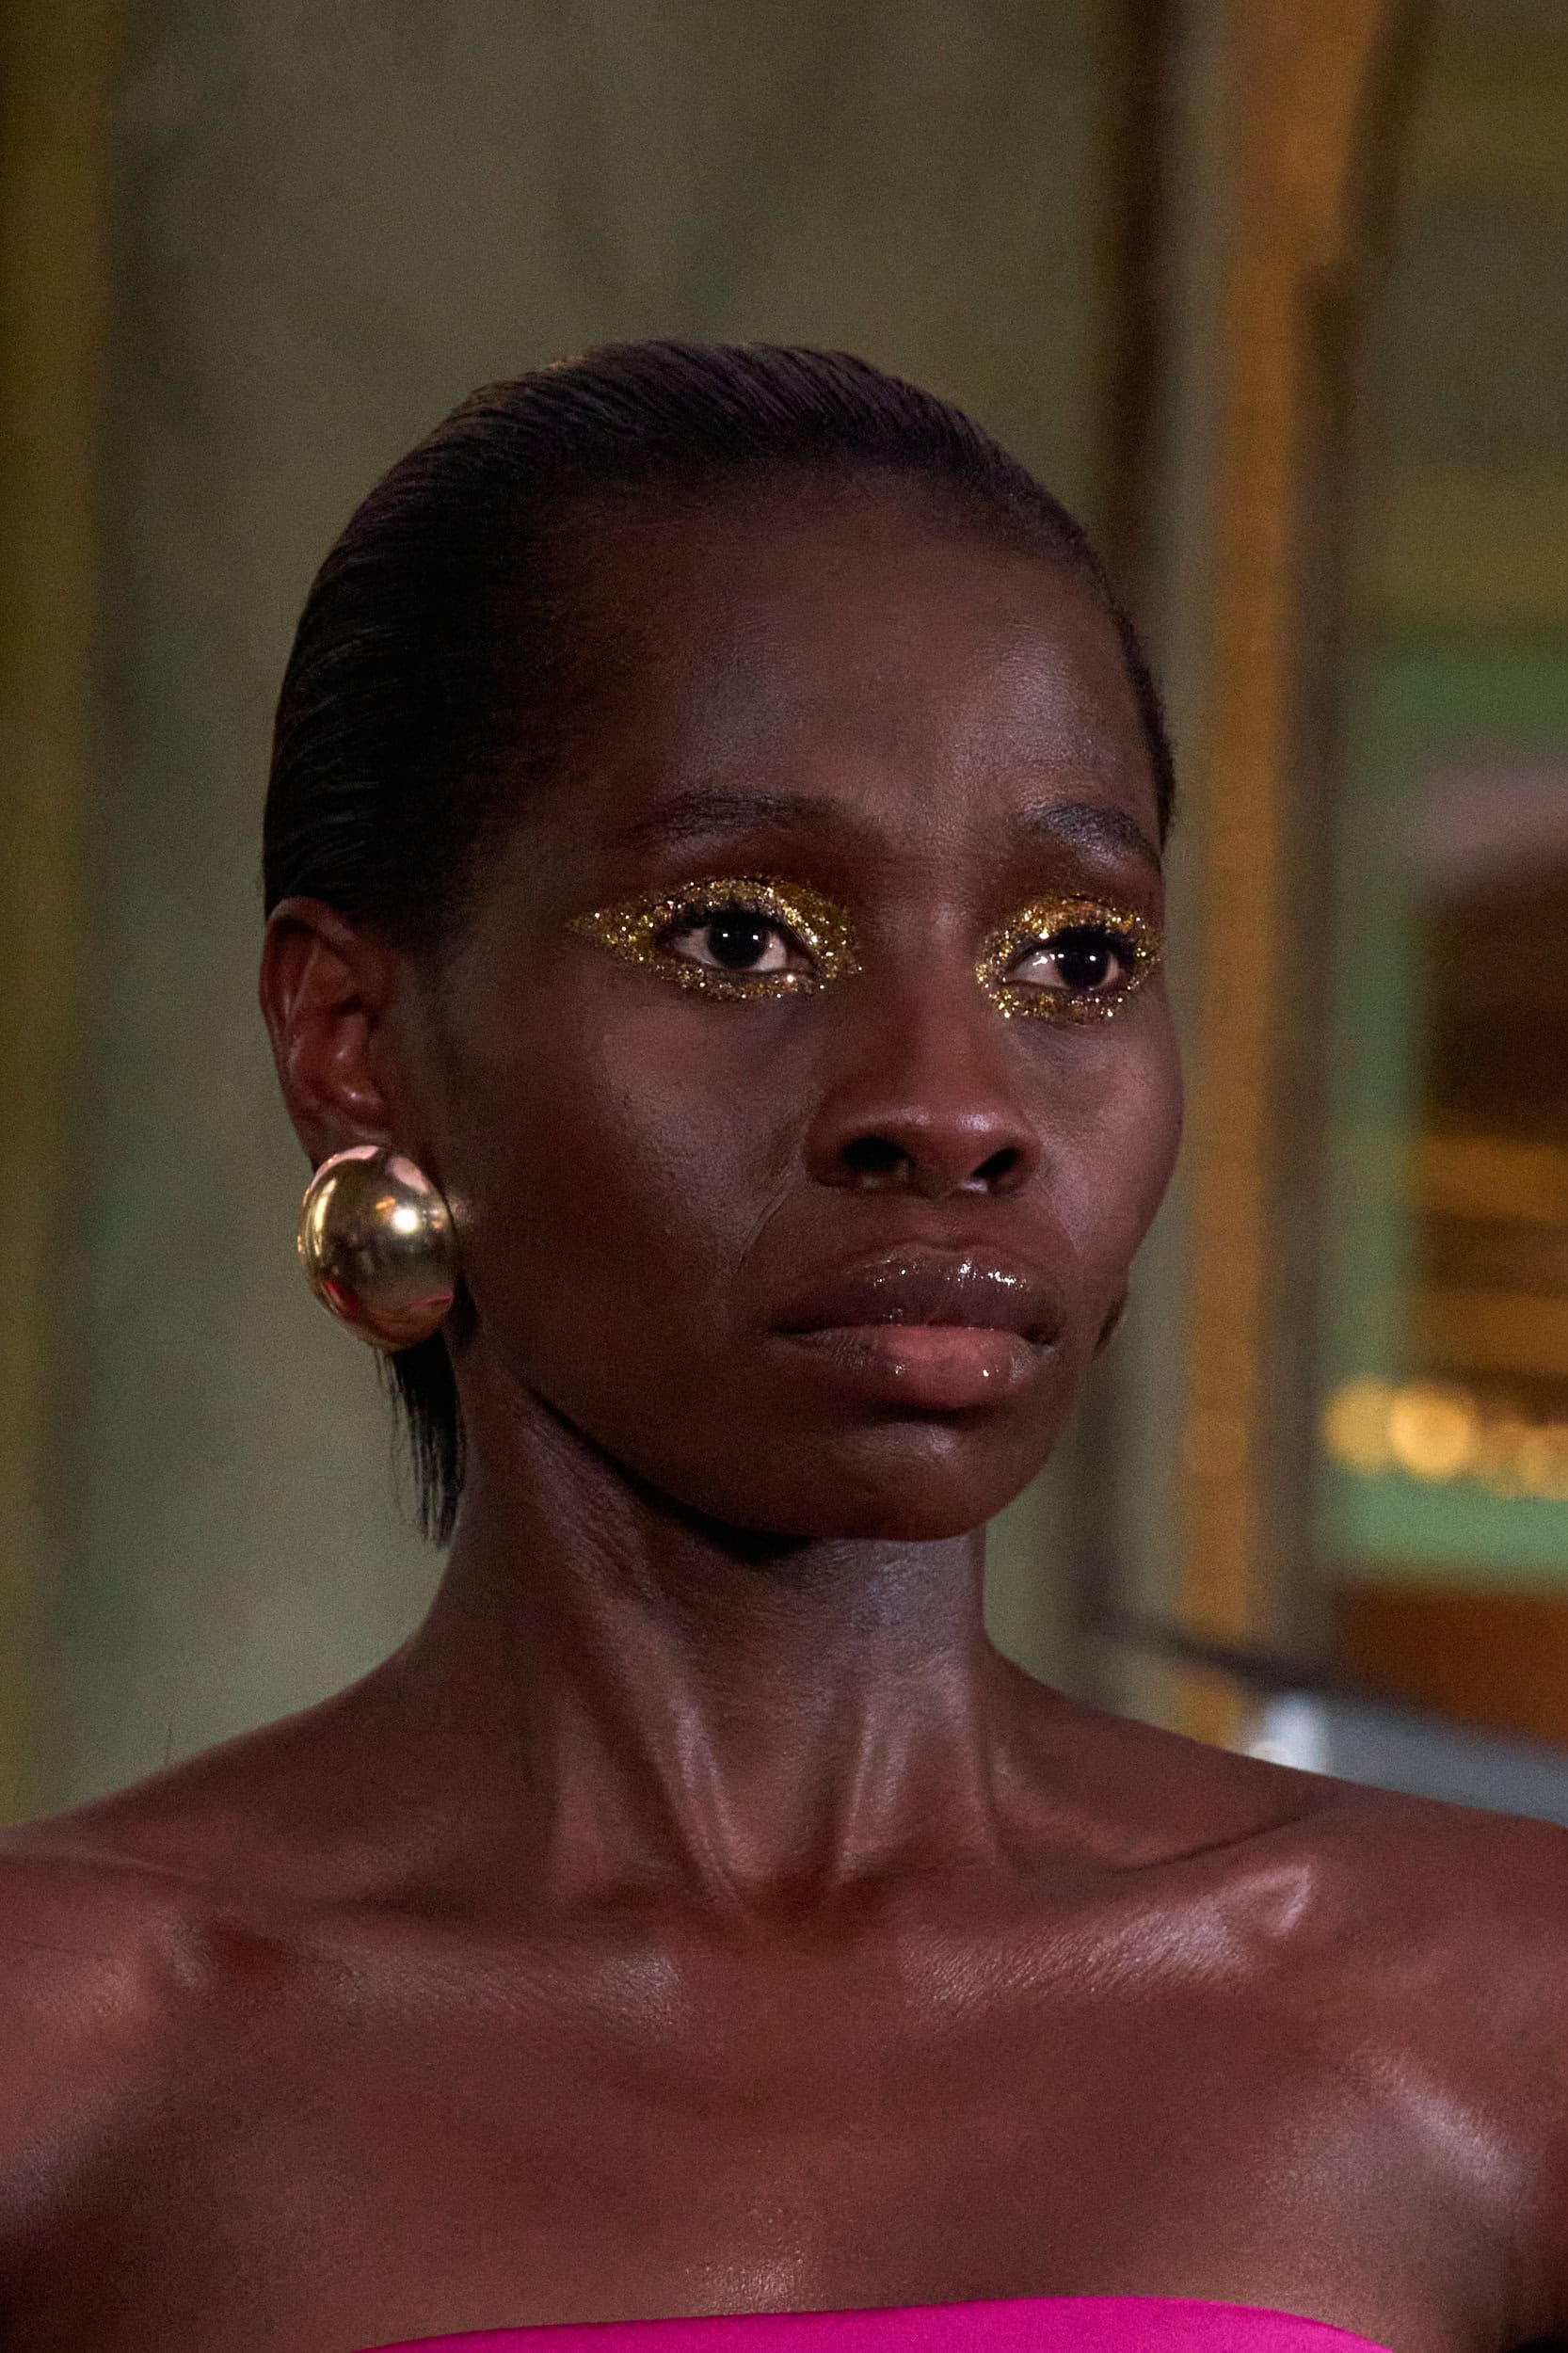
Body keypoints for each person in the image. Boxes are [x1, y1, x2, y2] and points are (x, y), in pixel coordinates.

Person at [2, 343, 1565, 2353]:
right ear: (355, 1043)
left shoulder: (1495, 2019)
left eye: (1073, 956)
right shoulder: (64, 2060)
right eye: (737, 937)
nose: (953, 1103)